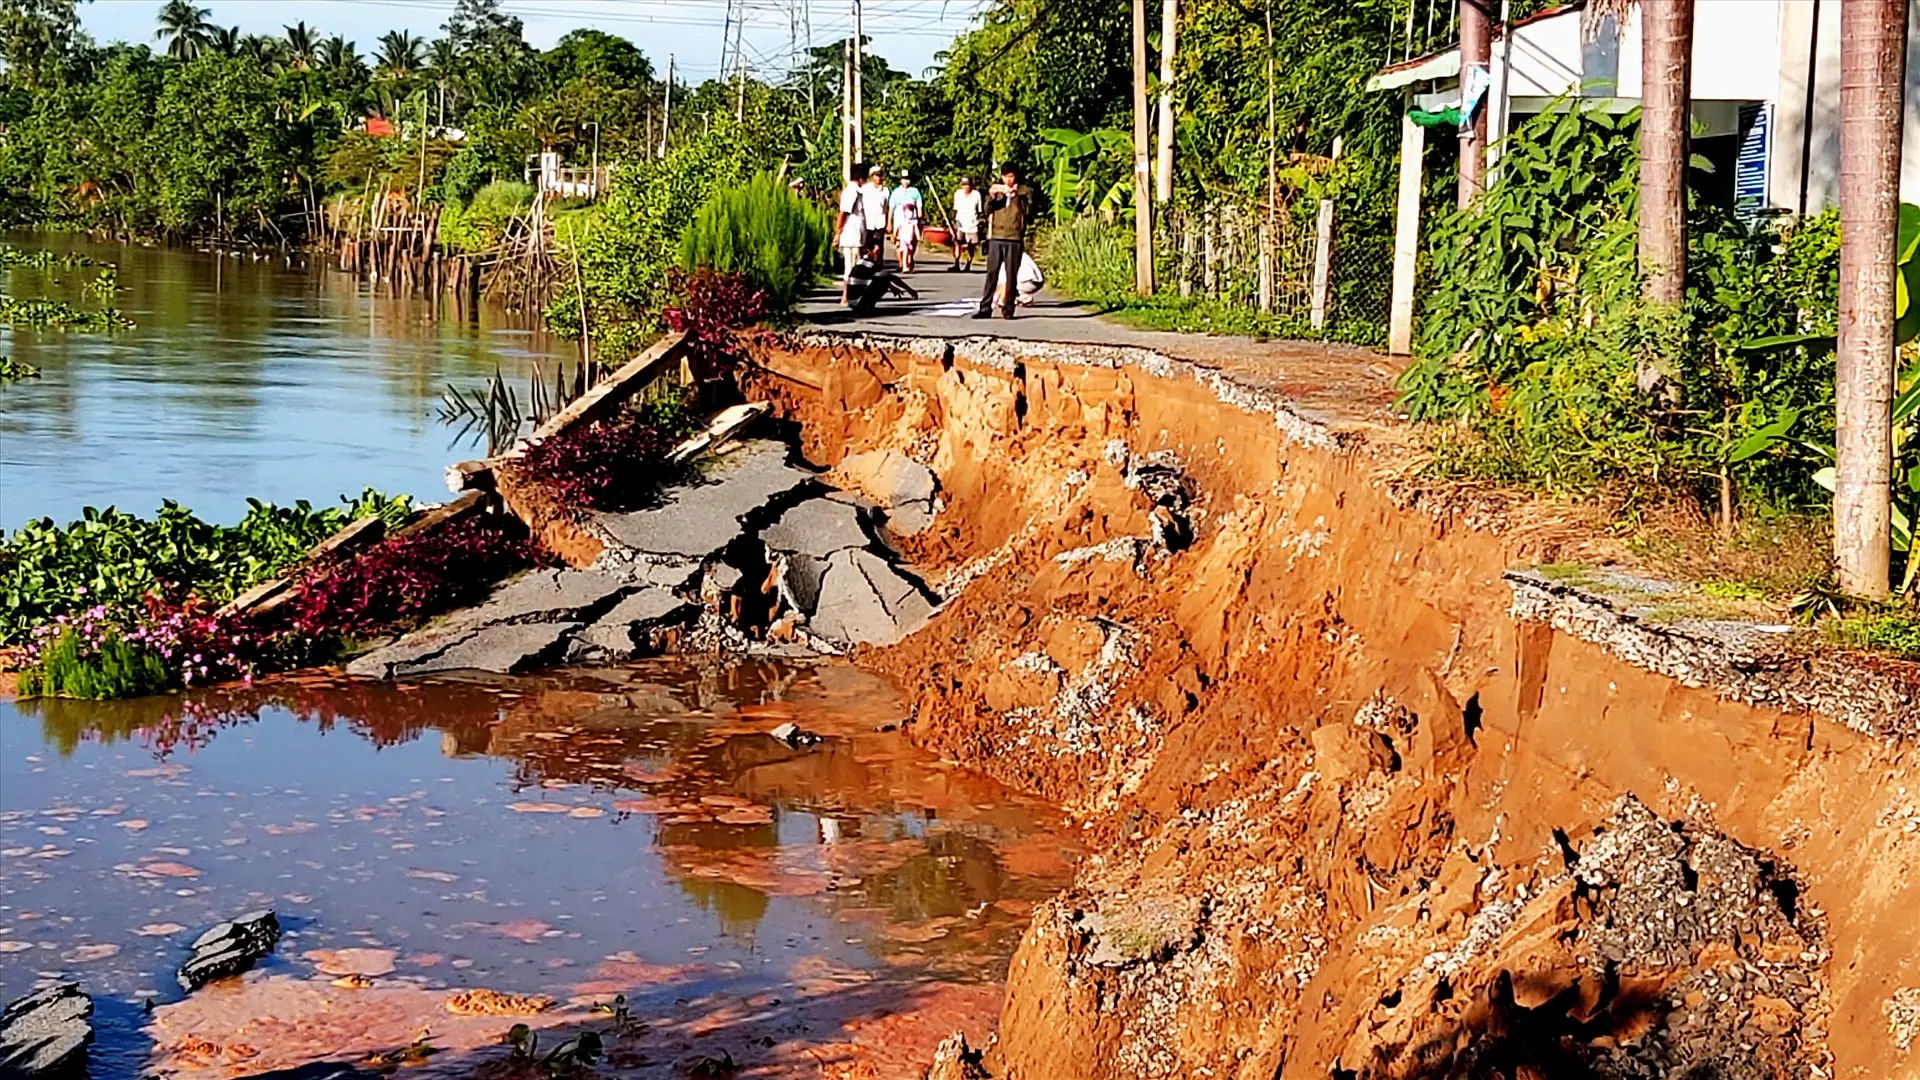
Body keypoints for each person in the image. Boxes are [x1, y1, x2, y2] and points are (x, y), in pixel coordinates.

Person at [973, 163, 1032, 320]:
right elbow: (986, 211)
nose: (1008, 180)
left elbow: (1028, 211)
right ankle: (985, 308)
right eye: (1005, 177)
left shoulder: (1024, 191)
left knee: (1011, 275)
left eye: (1011, 177)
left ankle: (1008, 308)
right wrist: (992, 195)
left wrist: (1016, 196)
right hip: (996, 237)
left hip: (1014, 238)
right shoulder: (998, 191)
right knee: (991, 273)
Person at [834, 165, 869, 304]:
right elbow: (843, 213)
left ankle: (851, 297)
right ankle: (846, 297)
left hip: (856, 234)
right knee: (851, 267)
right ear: (860, 178)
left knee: (854, 266)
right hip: (851, 234)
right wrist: (838, 232)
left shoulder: (857, 192)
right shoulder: (851, 192)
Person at [843, 251, 920, 313]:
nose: (878, 255)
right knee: (883, 281)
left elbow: (880, 277)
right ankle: (867, 306)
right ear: (869, 251)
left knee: (882, 279)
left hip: (853, 302)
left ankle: (866, 306)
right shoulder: (870, 264)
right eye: (876, 252)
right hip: (858, 302)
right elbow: (891, 277)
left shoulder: (861, 262)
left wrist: (892, 287)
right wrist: (910, 290)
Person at [889, 171, 924, 273]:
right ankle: (901, 262)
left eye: (907, 179)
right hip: (899, 220)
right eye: (904, 179)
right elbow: (891, 207)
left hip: (911, 220)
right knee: (899, 242)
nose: (906, 181)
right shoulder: (896, 192)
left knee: (911, 241)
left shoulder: (915, 191)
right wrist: (889, 222)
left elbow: (919, 205)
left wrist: (919, 218)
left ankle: (909, 258)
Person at [951, 176, 985, 272]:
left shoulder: (976, 195)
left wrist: (979, 222)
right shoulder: (958, 194)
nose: (966, 187)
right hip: (960, 223)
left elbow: (979, 210)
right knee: (957, 243)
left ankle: (968, 265)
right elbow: (955, 209)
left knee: (971, 245)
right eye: (964, 185)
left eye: (967, 185)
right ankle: (956, 263)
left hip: (972, 224)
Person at [859, 165, 890, 263]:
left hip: (879, 221)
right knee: (867, 245)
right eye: (876, 175)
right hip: (868, 221)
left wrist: (889, 222)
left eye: (880, 175)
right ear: (872, 177)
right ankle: (867, 262)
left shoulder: (885, 191)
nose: (879, 178)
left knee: (879, 246)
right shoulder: (865, 189)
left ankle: (878, 263)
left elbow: (886, 208)